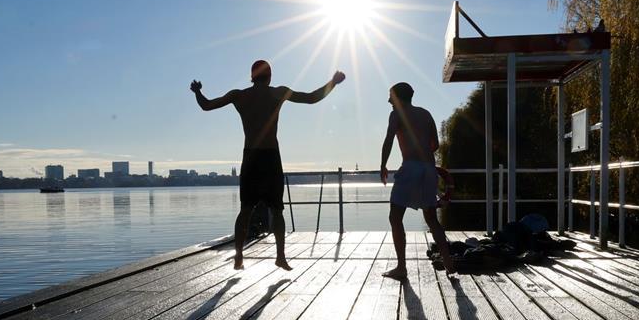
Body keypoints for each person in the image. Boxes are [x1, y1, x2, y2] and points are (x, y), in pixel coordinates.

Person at [191, 60, 346, 271]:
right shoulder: (277, 93)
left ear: (252, 77)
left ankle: (239, 256)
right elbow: (311, 98)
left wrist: (197, 91)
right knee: (277, 209)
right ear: (270, 76)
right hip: (271, 157)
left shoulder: (239, 95)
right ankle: (280, 256)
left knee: (245, 210)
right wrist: (333, 82)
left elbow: (206, 105)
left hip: (251, 157)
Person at [379, 82, 456, 278]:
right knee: (431, 218)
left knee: (395, 217)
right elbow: (435, 145)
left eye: (390, 96)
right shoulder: (426, 113)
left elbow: (389, 139)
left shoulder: (396, 114)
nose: (388, 101)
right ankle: (448, 262)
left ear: (398, 97)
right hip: (429, 169)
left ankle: (401, 268)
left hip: (411, 167)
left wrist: (383, 165)